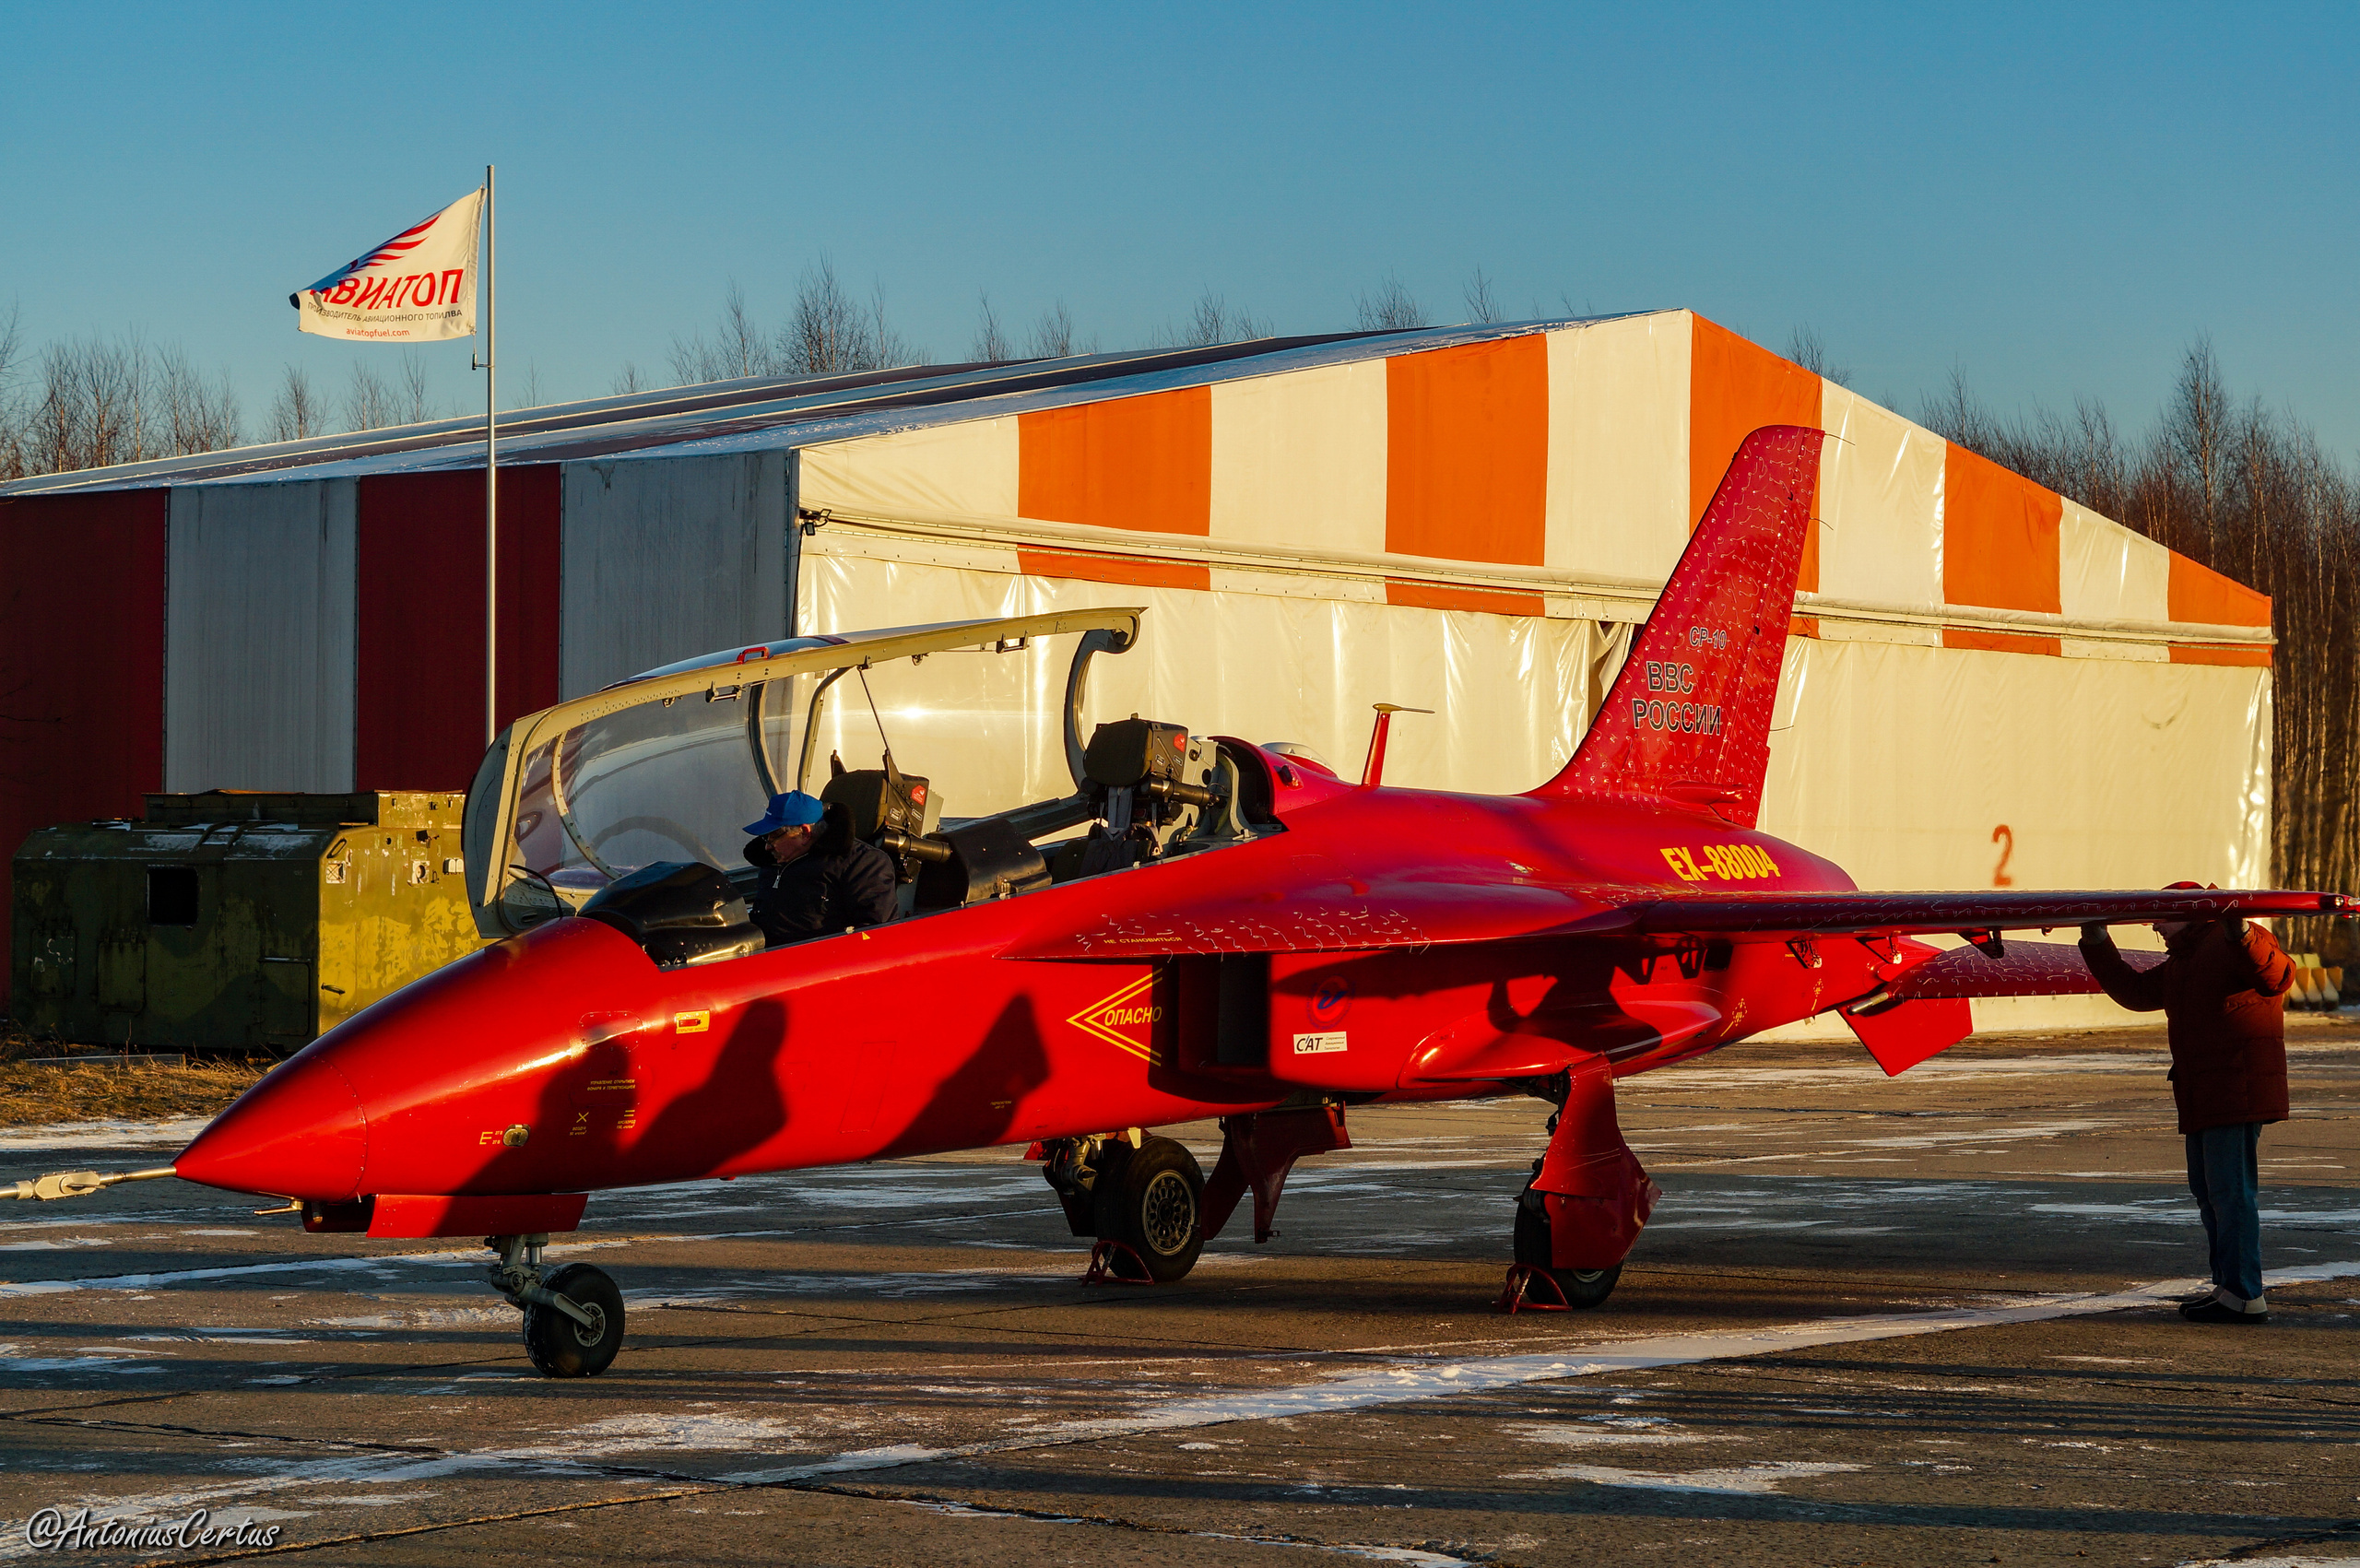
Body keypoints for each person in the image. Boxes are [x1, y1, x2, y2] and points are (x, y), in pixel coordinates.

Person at [2081, 886, 2295, 1326]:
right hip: (2205, 1092)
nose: (2155, 926)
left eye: (2161, 917)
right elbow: (2137, 992)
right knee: (2211, 1194)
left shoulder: (2229, 942)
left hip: (2235, 1089)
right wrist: (2097, 941)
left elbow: (2277, 976)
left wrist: (2242, 933)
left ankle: (2244, 1293)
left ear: (2187, 914)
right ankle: (2229, 1288)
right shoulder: (2188, 959)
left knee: (2230, 1194)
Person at [742, 791, 899, 946]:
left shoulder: (863, 864)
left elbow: (877, 935)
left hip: (820, 964)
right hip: (761, 958)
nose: (768, 847)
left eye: (774, 836)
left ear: (804, 833)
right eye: (766, 836)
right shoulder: (773, 861)